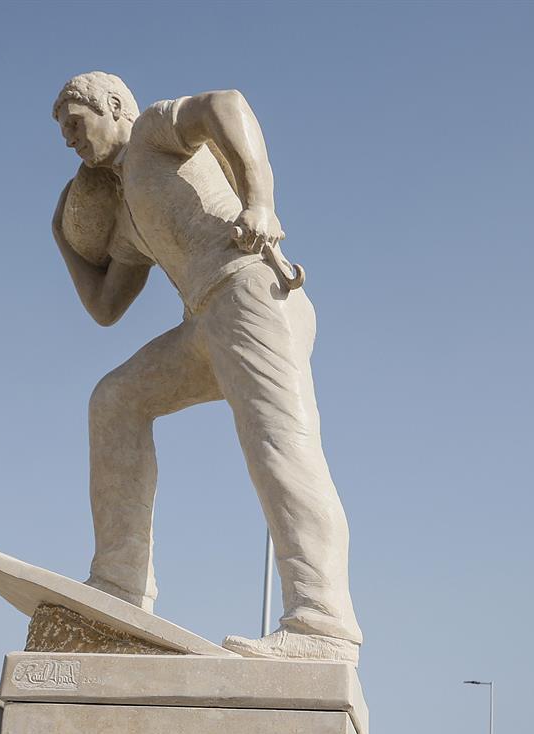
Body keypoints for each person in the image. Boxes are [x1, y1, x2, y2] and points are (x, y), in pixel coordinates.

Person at [47, 71, 360, 663]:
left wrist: (260, 203)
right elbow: (106, 307)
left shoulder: (150, 132)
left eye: (74, 122)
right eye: (62, 130)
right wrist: (61, 238)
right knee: (115, 400)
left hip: (248, 291)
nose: (68, 138)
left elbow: (226, 103)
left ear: (112, 106)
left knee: (279, 445)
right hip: (205, 324)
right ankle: (120, 585)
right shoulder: (131, 216)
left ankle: (324, 624)